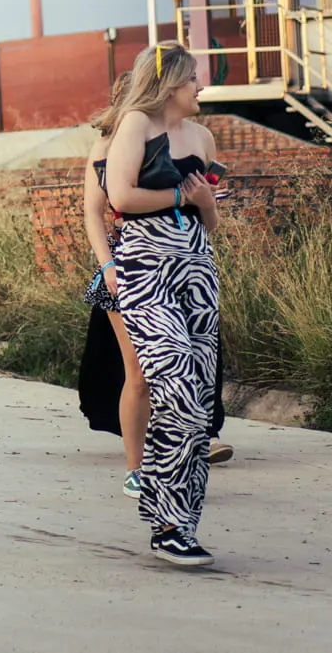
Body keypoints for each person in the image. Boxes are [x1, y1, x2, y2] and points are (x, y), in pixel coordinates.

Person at [99, 46, 225, 568]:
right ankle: (166, 518)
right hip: (145, 269)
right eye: (194, 77)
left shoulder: (203, 138)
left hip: (196, 269)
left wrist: (204, 204)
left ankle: (180, 524)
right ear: (170, 82)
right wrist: (180, 199)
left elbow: (210, 220)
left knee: (199, 405)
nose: (201, 86)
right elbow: (121, 198)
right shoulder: (135, 124)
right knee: (174, 388)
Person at [78, 77, 232, 480]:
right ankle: (138, 468)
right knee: (140, 372)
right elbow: (94, 212)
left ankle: (187, 444)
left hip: (184, 268)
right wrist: (109, 266)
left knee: (187, 362)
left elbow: (207, 217)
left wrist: (202, 203)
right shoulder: (109, 145)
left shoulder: (191, 138)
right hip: (129, 269)